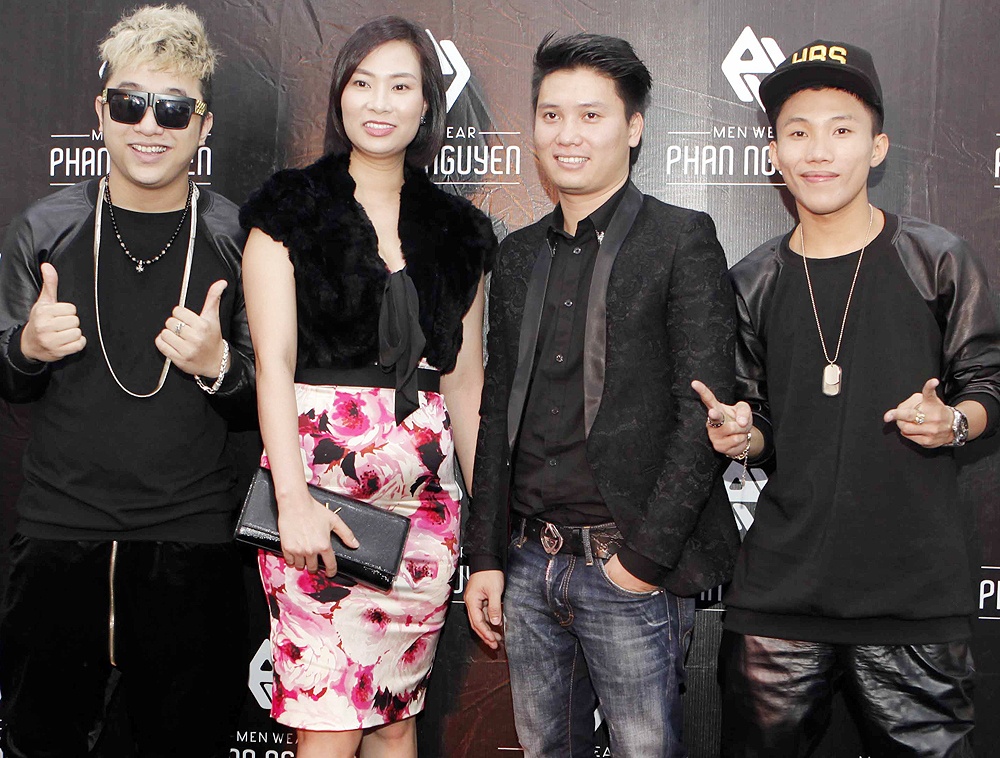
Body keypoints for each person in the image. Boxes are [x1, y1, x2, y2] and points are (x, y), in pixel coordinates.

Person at [693, 39, 1000, 757]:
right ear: (774, 152)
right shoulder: (753, 280)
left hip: (912, 596)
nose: (819, 150)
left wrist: (956, 422)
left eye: (841, 128)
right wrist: (741, 434)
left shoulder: (938, 259)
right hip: (778, 598)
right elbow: (761, 421)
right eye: (798, 131)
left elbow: (989, 379)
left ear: (877, 147)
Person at [464, 32, 739, 757]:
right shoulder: (517, 253)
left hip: (628, 567)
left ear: (634, 127)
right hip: (529, 565)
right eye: (552, 115)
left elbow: (703, 414)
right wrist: (485, 554)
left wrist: (642, 562)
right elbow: (496, 411)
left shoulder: (680, 239)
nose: (568, 134)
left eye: (591, 115)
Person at [0, 5, 254, 757]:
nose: (150, 125)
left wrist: (219, 367)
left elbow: (266, 397)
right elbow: (9, 382)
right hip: (58, 536)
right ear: (100, 114)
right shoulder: (44, 228)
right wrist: (28, 348)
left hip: (191, 542)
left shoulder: (237, 238)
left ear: (203, 126)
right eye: (129, 104)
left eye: (173, 109)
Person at [239, 16, 495, 758]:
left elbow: (466, 383)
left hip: (426, 513)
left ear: (427, 106)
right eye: (362, 83)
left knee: (395, 718)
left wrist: (486, 535)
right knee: (327, 724)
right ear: (340, 95)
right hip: (318, 500)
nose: (380, 102)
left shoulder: (461, 231)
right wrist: (293, 502)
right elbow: (273, 365)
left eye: (401, 86)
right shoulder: (288, 211)